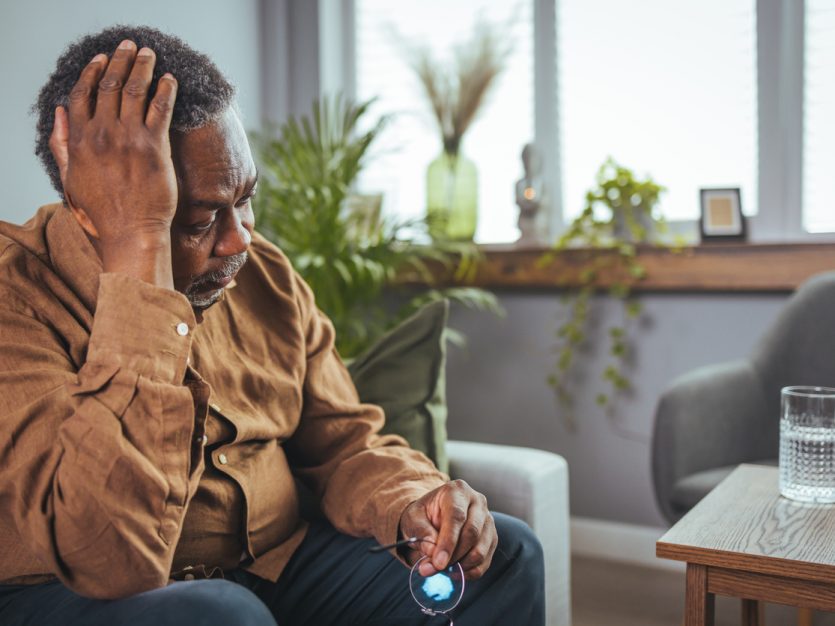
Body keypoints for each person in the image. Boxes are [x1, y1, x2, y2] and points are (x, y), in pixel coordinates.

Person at [0, 25, 545, 626]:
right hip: (68, 591)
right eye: (198, 220)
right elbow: (108, 557)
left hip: (274, 566)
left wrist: (414, 499)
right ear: (93, 206)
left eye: (246, 199)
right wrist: (140, 256)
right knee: (220, 614)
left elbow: (345, 446)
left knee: (509, 555)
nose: (239, 240)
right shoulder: (15, 296)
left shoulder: (267, 277)